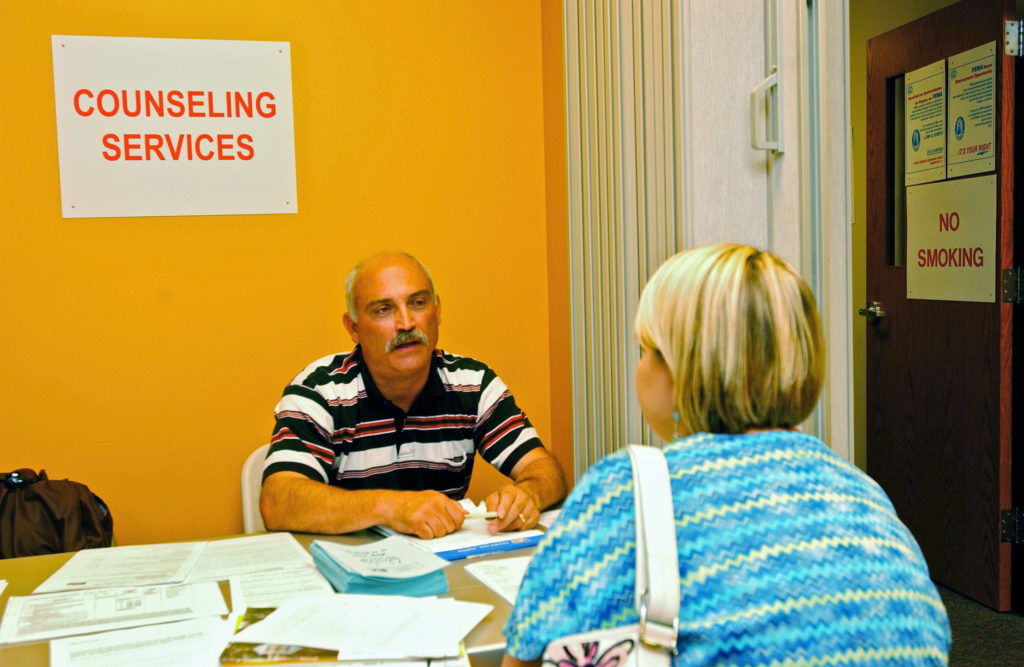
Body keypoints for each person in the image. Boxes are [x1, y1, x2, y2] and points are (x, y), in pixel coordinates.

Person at [503, 244, 951, 665]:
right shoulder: (862, 492)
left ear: (678, 369)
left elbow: (523, 651)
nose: (639, 367)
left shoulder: (627, 491)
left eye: (644, 350)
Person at [260, 251, 566, 540]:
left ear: (438, 311)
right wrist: (390, 507)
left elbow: (544, 470)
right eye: (383, 310)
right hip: (346, 577)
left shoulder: (472, 383)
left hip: (445, 570)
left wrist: (528, 495)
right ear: (354, 328)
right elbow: (278, 503)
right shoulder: (321, 391)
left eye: (418, 303)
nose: (406, 324)